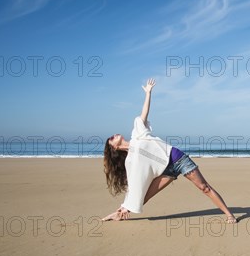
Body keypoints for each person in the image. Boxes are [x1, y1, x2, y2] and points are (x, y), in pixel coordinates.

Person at [102, 78, 238, 223]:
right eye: (111, 138)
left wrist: (148, 93)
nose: (114, 135)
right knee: (143, 196)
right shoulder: (130, 161)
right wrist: (124, 205)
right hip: (166, 171)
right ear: (114, 148)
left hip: (178, 159)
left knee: (204, 187)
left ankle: (229, 215)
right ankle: (119, 213)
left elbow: (144, 113)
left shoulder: (137, 133)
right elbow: (135, 185)